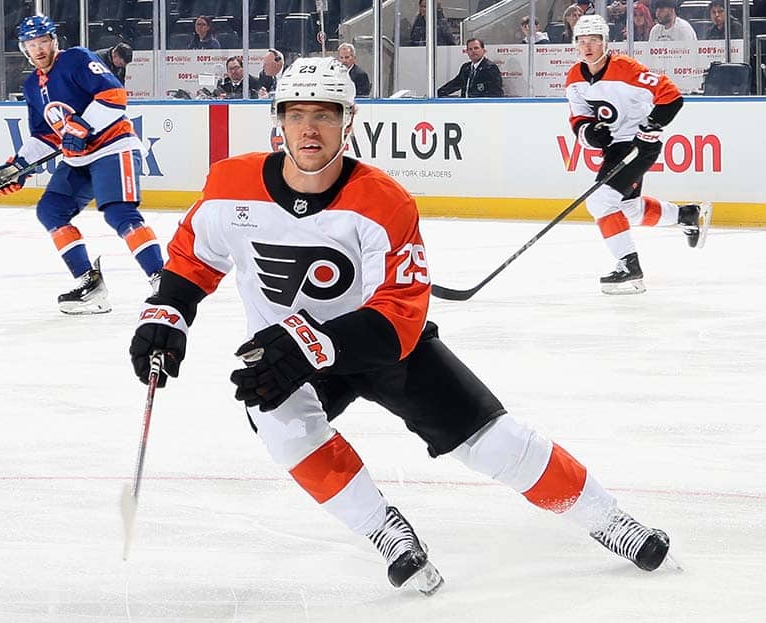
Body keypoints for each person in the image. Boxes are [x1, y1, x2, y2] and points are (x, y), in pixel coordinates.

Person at [128, 55, 675, 594]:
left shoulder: (384, 201)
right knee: (276, 419)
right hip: (287, 354)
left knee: (494, 442)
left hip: (380, 346)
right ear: (278, 120)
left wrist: (313, 343)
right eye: (296, 114)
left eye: (324, 114)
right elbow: (192, 261)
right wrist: (167, 315)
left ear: (349, 122)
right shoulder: (230, 184)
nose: (309, 128)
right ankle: (382, 529)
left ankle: (609, 519)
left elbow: (401, 314)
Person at [0, 15, 164, 314]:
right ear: (24, 49)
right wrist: (19, 165)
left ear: (54, 41)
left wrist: (81, 127)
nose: (39, 49)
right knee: (50, 210)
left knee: (119, 212)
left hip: (113, 147)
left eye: (43, 41)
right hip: (79, 159)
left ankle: (162, 278)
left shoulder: (76, 59)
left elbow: (114, 96)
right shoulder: (32, 85)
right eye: (32, 44)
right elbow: (46, 135)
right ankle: (90, 284)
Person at [566, 14, 711, 294]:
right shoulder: (574, 77)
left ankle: (628, 267)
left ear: (605, 42)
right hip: (614, 149)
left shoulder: (627, 68)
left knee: (600, 202)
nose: (587, 47)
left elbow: (671, 95)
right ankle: (686, 215)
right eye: (582, 41)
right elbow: (578, 117)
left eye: (594, 41)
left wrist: (651, 125)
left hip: (638, 145)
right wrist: (589, 133)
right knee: (626, 208)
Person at [437, 38, 504, 97]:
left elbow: (496, 92)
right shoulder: (466, 68)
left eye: (476, 48)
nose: (473, 51)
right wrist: (440, 92)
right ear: (467, 52)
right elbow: (456, 83)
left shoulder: (491, 68)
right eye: (470, 49)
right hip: (465, 107)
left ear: (483, 50)